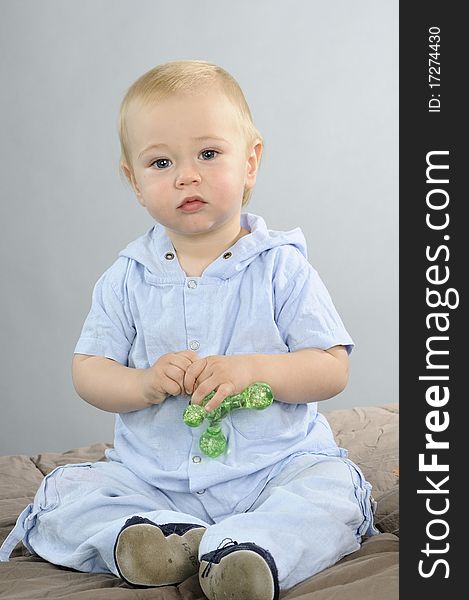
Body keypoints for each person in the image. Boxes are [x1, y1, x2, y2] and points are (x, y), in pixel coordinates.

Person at [0, 60, 378, 600]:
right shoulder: (127, 278)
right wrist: (145, 384)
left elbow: (331, 366)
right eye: (161, 161)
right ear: (133, 181)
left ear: (251, 162)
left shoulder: (281, 266)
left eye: (208, 153)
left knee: (330, 495)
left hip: (274, 471)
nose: (187, 175)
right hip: (153, 479)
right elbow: (89, 371)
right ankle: (156, 541)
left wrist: (254, 368)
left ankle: (249, 552)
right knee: (66, 496)